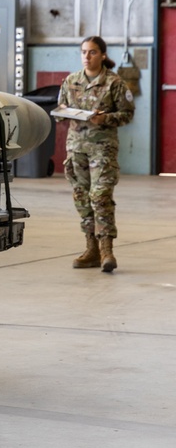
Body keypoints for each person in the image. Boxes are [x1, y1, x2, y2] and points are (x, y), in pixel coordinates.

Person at [57, 36, 135, 272]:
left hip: (103, 149)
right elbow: (59, 111)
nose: (86, 57)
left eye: (92, 52)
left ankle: (106, 251)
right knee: (81, 197)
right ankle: (90, 249)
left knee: (100, 196)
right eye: (83, 52)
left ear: (102, 55)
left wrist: (106, 118)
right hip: (77, 149)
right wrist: (66, 113)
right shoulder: (71, 81)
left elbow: (127, 114)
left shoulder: (114, 83)